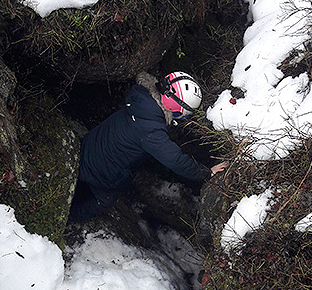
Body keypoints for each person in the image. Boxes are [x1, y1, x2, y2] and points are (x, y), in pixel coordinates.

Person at [69, 71, 227, 222]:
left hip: (87, 149)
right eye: (183, 114)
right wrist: (205, 173)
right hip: (99, 174)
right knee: (104, 200)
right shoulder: (151, 129)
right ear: (175, 107)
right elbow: (175, 160)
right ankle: (69, 218)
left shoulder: (141, 99)